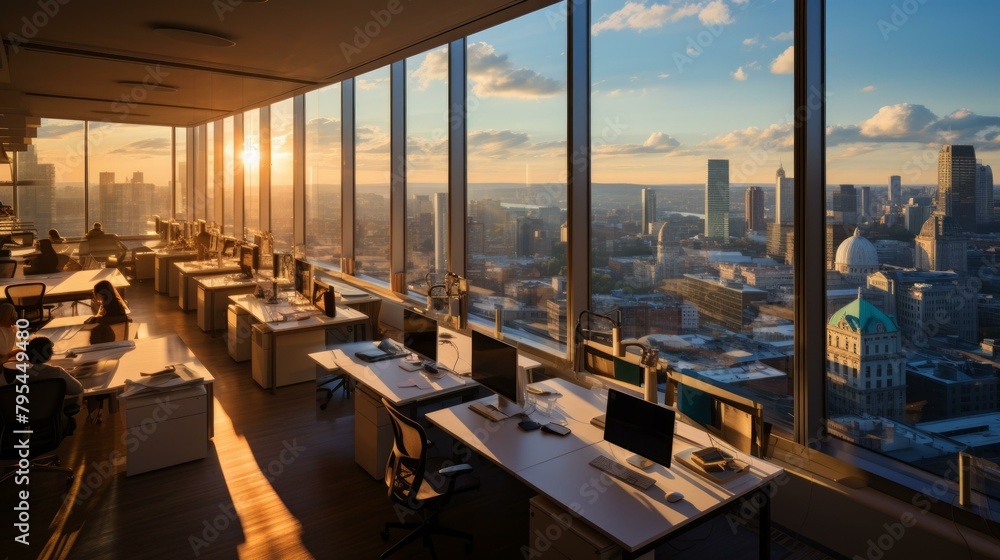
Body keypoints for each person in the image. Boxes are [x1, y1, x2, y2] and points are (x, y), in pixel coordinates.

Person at [24, 336, 83, 433]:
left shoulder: (19, 372)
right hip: (52, 418)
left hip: (28, 418)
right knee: (77, 397)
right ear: (49, 354)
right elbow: (77, 389)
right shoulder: (57, 372)